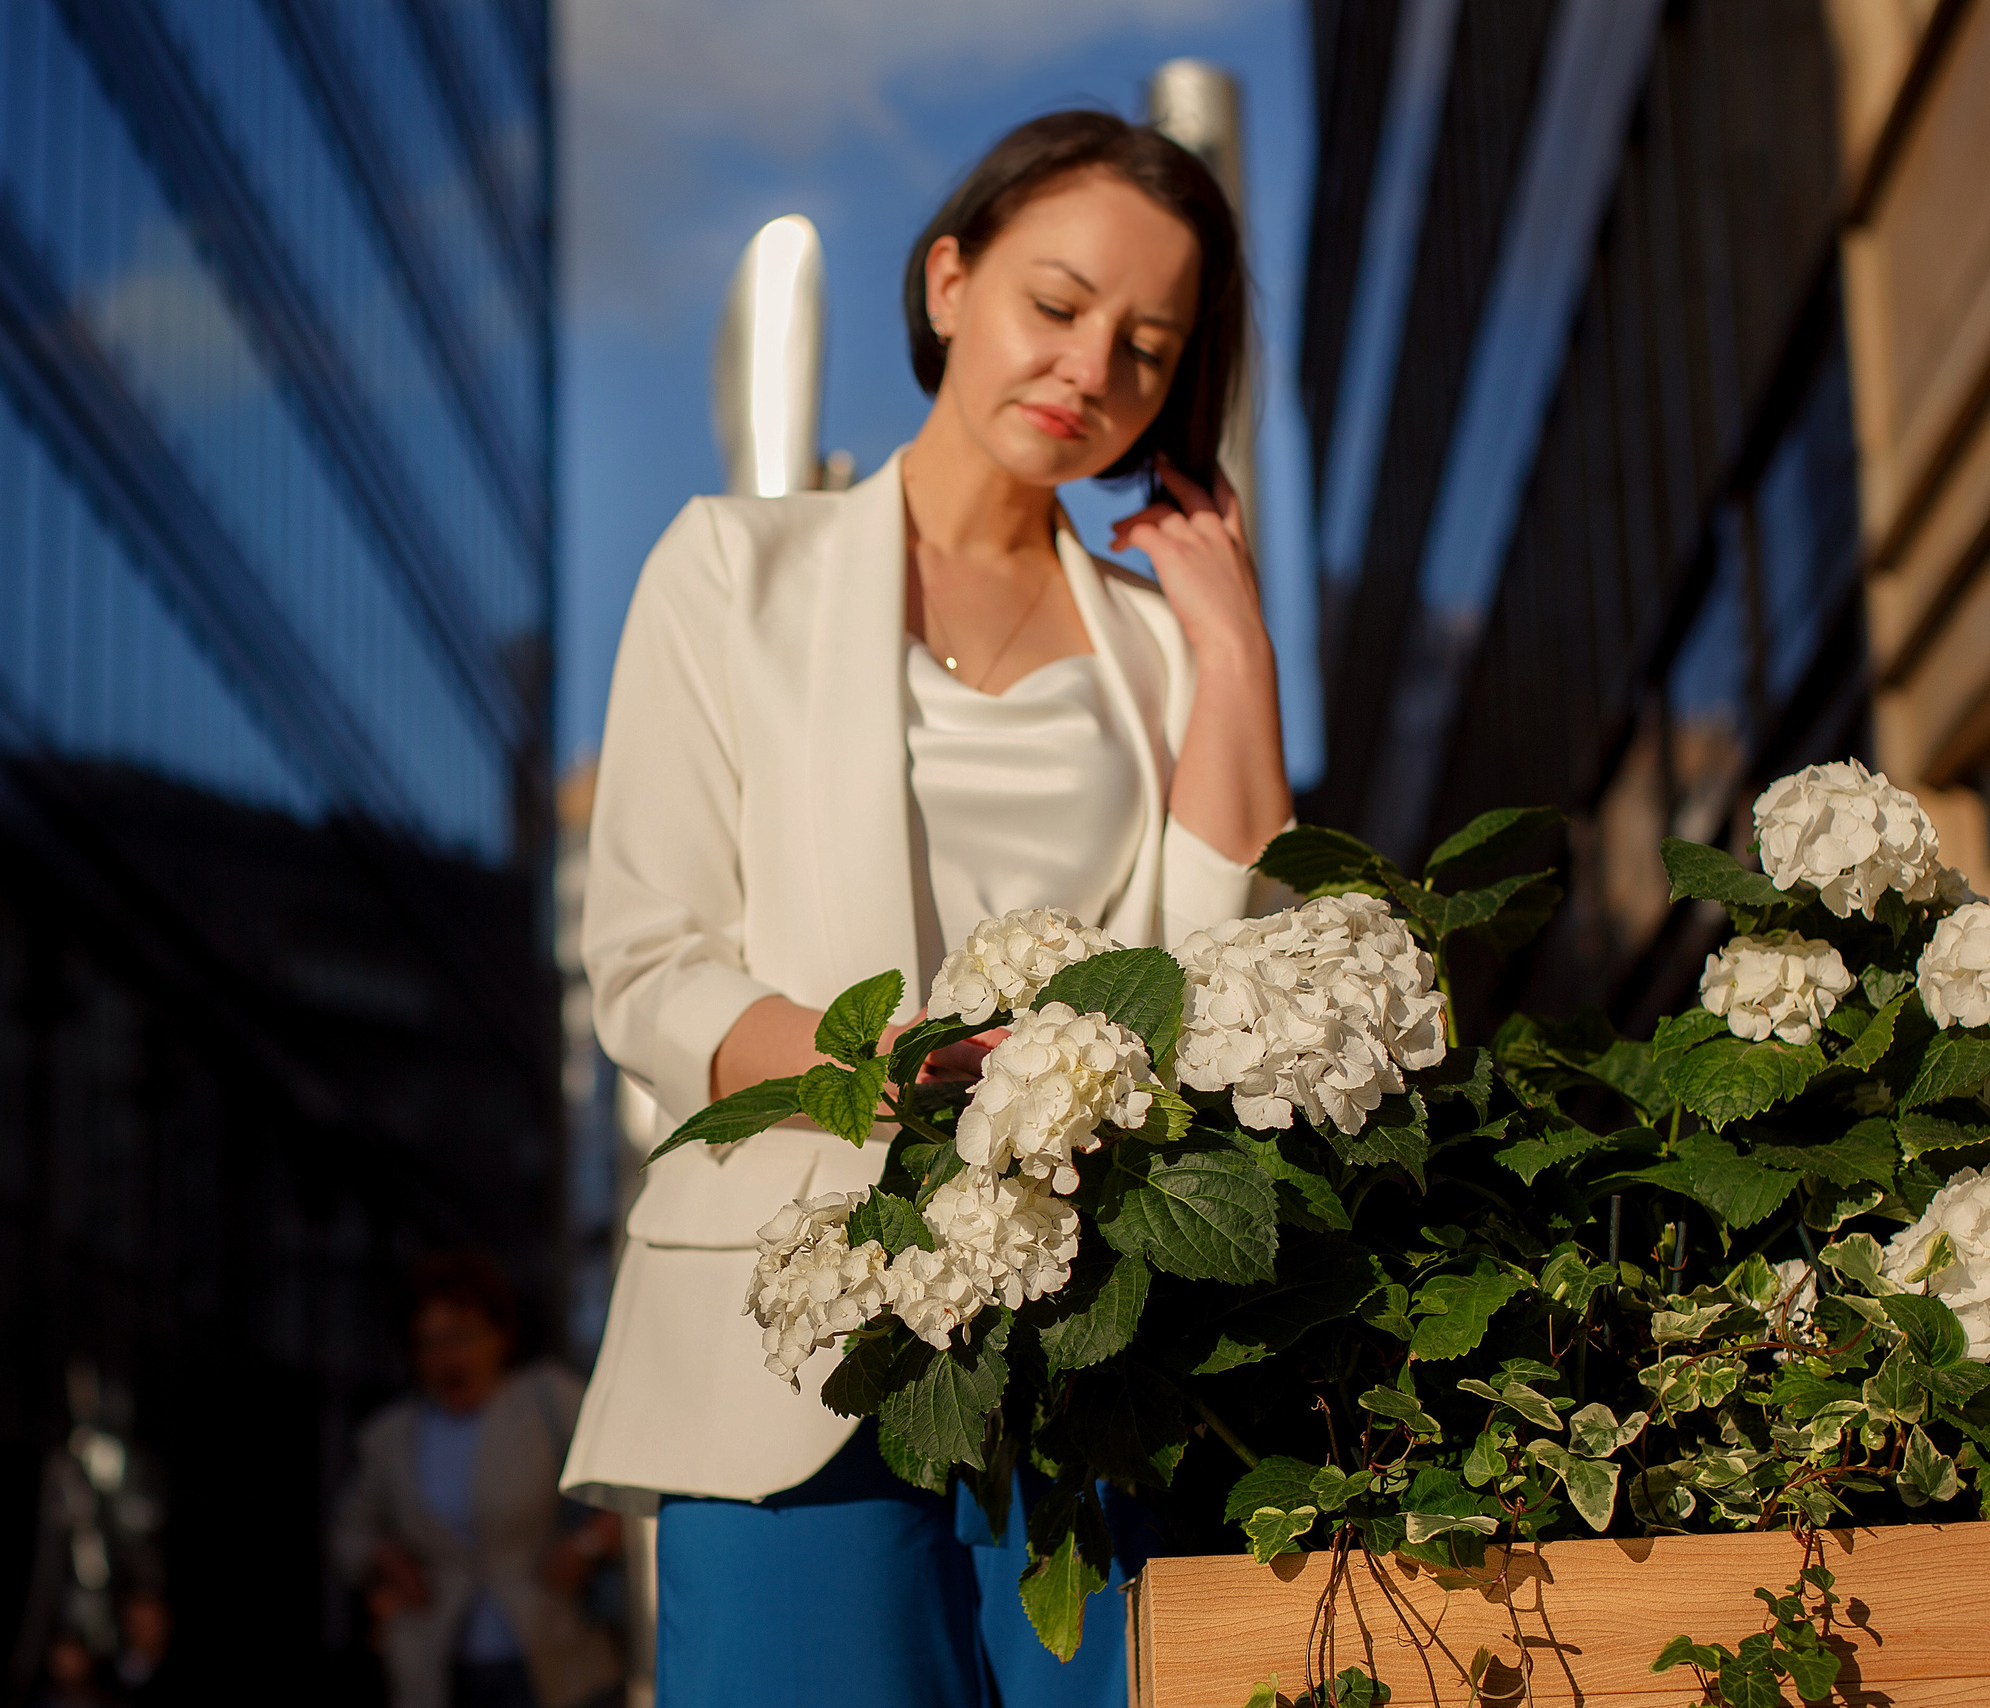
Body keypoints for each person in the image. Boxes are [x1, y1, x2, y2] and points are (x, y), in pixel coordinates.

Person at [559, 110, 1293, 1704]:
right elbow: (647, 956)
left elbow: (1225, 968)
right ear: (949, 279)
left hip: (1092, 1333)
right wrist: (856, 1071)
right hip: (795, 1331)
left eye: (1149, 348)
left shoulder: (1163, 650)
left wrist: (1234, 644)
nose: (1092, 366)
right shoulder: (725, 572)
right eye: (1057, 302)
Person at [334, 1253, 623, 1708]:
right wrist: (386, 1562)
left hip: (551, 1649)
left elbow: (623, 1483)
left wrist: (587, 1545)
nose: (449, 1357)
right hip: (437, 1660)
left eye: (462, 1337)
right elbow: (351, 1529)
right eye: (429, 1343)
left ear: (500, 1337)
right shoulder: (392, 1436)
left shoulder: (546, 1400)